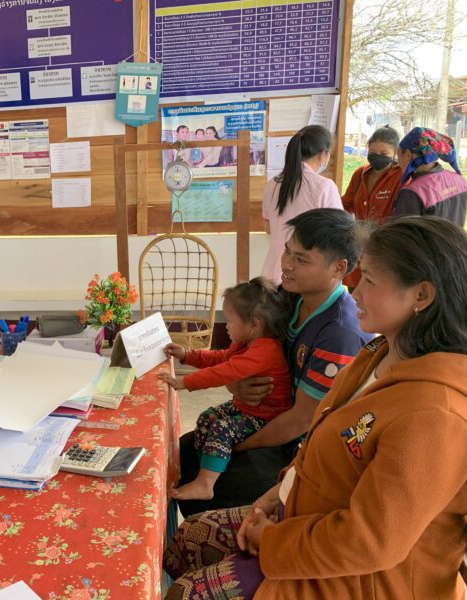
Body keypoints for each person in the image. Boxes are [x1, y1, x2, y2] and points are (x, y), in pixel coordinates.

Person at [164, 216, 467, 599]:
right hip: (301, 512)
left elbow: (368, 544)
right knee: (187, 537)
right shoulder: (378, 353)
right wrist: (276, 496)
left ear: (421, 296)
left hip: (361, 578)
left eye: (370, 280)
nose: (355, 292)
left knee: (186, 593)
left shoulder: (436, 415)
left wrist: (272, 541)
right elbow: (318, 438)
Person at [174, 209, 371, 519]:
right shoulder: (287, 297)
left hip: (299, 448)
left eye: (302, 259)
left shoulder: (339, 333)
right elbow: (239, 358)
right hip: (265, 417)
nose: (287, 265)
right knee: (183, 451)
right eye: (287, 251)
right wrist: (235, 385)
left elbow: (301, 421)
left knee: (204, 472)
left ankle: (239, 554)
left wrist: (233, 446)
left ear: (339, 268)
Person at [158, 278, 292, 501]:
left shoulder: (266, 350)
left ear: (254, 325)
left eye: (229, 321)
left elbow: (227, 371)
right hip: (247, 408)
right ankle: (207, 465)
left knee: (222, 427)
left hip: (266, 417)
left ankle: (206, 484)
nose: (226, 326)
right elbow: (221, 358)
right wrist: (188, 355)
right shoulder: (244, 342)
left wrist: (186, 382)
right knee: (207, 417)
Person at [260, 125, 343, 284]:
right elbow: (338, 235)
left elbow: (268, 228)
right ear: (323, 154)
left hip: (273, 271)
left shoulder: (272, 184)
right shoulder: (324, 186)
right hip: (308, 272)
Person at [341, 125, 403, 288]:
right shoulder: (360, 174)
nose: (377, 157)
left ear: (395, 153)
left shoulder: (400, 176)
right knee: (355, 295)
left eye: (384, 154)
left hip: (385, 248)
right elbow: (345, 204)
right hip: (358, 246)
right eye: (373, 153)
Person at [393, 127, 467, 225]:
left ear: (408, 155)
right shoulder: (460, 180)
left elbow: (403, 236)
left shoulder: (412, 192)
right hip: (455, 240)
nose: (398, 163)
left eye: (398, 157)